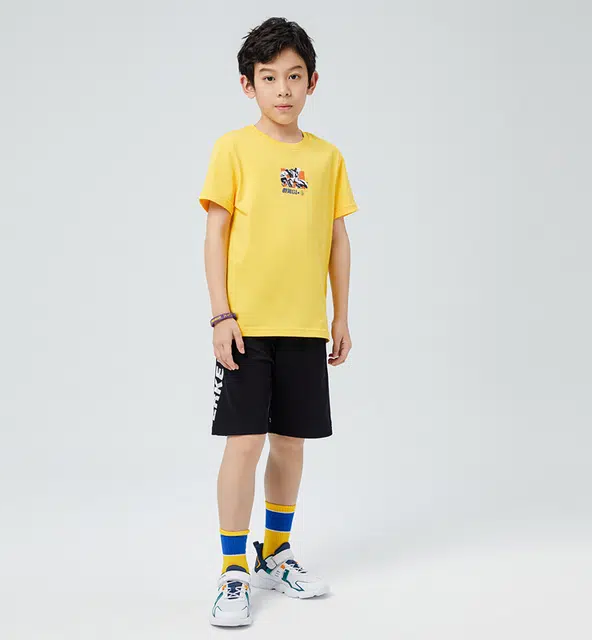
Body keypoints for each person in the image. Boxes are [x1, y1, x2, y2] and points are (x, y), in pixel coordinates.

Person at [199, 16, 358, 627]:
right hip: (246, 325)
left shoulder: (327, 157)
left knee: (291, 443)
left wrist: (341, 316)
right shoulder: (233, 149)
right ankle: (232, 569)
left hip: (305, 326)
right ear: (249, 85)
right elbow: (215, 234)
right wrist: (221, 314)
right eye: (269, 78)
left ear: (312, 81)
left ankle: (275, 553)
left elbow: (337, 240)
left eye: (294, 76)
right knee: (244, 443)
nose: (283, 89)